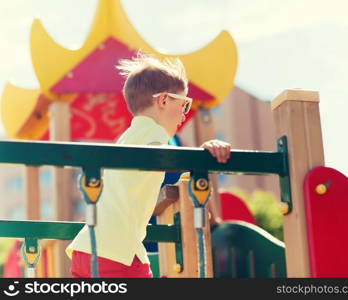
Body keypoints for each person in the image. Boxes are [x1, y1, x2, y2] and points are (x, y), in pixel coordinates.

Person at [66, 54, 231, 278]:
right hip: (116, 251)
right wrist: (201, 155)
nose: (184, 114)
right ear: (163, 101)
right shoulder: (152, 133)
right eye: (183, 104)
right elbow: (166, 158)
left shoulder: (128, 136)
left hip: (89, 247)